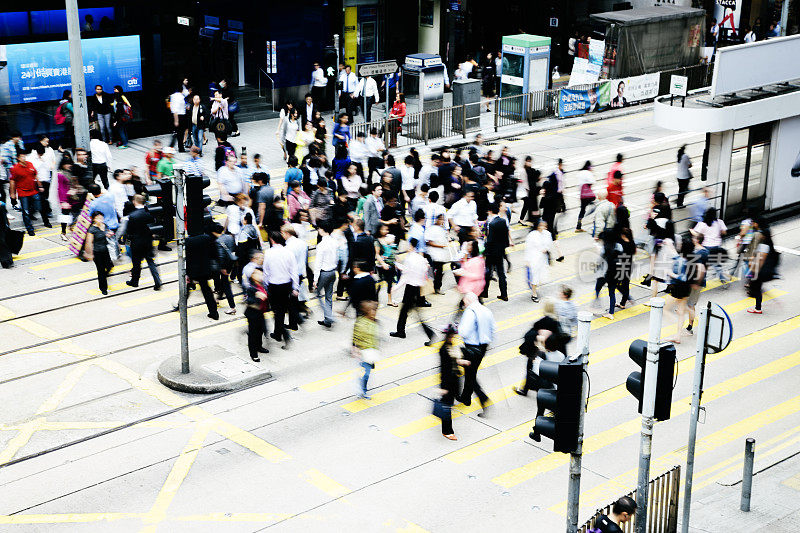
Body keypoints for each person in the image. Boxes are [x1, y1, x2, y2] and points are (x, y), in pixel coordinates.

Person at [515, 299, 567, 396]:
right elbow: (561, 340)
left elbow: (529, 335)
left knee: (530, 370)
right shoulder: (557, 323)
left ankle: (525, 389)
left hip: (538, 351)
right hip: (552, 352)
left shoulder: (542, 322)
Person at [390, 238, 435, 343]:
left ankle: (402, 332)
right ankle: (401, 331)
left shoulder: (409, 258)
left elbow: (405, 276)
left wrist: (395, 288)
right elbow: (425, 269)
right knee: (410, 312)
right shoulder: (420, 257)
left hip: (410, 287)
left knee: (406, 311)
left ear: (411, 246)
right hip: (418, 287)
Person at [457, 292, 496, 413]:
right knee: (471, 372)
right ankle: (466, 397)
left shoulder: (470, 312)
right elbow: (493, 328)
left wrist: (458, 327)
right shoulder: (486, 310)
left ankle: (483, 399)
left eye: (464, 302)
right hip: (483, 346)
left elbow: (463, 332)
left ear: (467, 301)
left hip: (471, 347)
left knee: (470, 375)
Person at [262, 231, 300, 348]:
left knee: (275, 310)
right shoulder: (288, 252)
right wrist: (295, 287)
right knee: (282, 310)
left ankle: (282, 334)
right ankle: (278, 332)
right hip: (286, 285)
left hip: (273, 285)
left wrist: (265, 285)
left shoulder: (268, 253)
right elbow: (294, 271)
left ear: (272, 240)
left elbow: (266, 272)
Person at [125, 194, 162, 290]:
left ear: (134, 201)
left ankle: (135, 281)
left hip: (136, 243)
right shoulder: (150, 213)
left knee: (136, 263)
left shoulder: (132, 215)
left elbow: (129, 232)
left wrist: (127, 243)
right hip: (148, 241)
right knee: (151, 262)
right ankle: (157, 281)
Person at [10, 149, 50, 236]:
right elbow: (12, 182)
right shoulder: (15, 168)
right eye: (21, 156)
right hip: (23, 193)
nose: (23, 158)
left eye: (24, 155)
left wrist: (40, 186)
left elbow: (35, 175)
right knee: (25, 212)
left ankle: (46, 222)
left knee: (39, 207)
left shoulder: (30, 164)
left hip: (33, 191)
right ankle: (30, 229)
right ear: (18, 158)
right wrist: (12, 194)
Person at [184, 228, 221, 320]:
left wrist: (187, 273)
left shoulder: (188, 241)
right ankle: (214, 312)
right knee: (207, 291)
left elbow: (188, 259)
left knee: (188, 288)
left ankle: (180, 305)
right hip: (205, 268)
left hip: (194, 270)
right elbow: (214, 253)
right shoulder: (206, 238)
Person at [438, 324, 466, 441]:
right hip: (447, 382)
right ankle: (447, 431)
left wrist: (462, 362)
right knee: (446, 406)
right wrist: (443, 386)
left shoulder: (450, 346)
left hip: (453, 379)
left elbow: (453, 361)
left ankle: (446, 427)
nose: (453, 337)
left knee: (448, 404)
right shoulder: (444, 349)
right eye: (452, 335)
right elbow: (444, 369)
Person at [746, 218, 778, 314]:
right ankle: (758, 307)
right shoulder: (767, 245)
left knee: (757, 289)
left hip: (759, 271)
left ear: (764, 236)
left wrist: (754, 271)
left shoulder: (764, 246)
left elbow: (761, 260)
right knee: (757, 288)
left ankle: (758, 308)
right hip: (761, 271)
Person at [690, 207, 728, 286]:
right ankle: (723, 279)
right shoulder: (719, 222)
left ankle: (703, 283)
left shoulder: (702, 224)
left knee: (704, 265)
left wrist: (691, 231)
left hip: (706, 246)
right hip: (717, 246)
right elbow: (724, 232)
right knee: (716, 263)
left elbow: (697, 234)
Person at [352, 300, 380, 400]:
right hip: (363, 352)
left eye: (375, 311)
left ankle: (361, 387)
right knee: (367, 373)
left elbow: (375, 337)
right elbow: (355, 336)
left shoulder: (374, 322)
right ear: (367, 311)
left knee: (367, 372)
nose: (374, 313)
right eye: (372, 311)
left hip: (371, 352)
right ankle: (362, 390)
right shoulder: (361, 322)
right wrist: (355, 349)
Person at [313, 221, 339, 328]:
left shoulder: (321, 245)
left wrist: (315, 279)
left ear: (323, 230)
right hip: (333, 272)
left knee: (318, 294)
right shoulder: (334, 242)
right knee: (329, 296)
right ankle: (327, 320)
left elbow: (318, 264)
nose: (318, 230)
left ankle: (329, 317)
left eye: (319, 228)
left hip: (324, 273)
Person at [243, 258, 269, 362]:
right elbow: (248, 300)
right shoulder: (251, 288)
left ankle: (259, 346)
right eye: (258, 274)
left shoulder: (262, 285)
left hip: (261, 312)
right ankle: (253, 353)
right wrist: (257, 296)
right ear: (253, 276)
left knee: (261, 330)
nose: (260, 276)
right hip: (253, 314)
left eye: (261, 274)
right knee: (253, 333)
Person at [482, 203, 509, 301]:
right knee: (501, 273)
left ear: (489, 211)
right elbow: (506, 238)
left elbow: (490, 240)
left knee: (487, 272)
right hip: (500, 251)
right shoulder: (503, 221)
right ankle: (504, 294)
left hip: (491, 252)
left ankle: (485, 292)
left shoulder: (492, 224)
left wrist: (485, 251)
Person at [83, 211, 113, 295]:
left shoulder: (104, 225)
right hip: (97, 252)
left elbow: (107, 233)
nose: (100, 219)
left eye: (101, 218)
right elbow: (88, 242)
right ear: (93, 219)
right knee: (101, 270)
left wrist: (109, 234)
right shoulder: (92, 229)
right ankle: (103, 288)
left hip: (105, 250)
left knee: (109, 266)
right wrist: (89, 253)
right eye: (98, 218)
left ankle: (104, 277)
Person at [524, 221, 553, 303]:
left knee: (541, 275)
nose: (542, 227)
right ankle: (534, 294)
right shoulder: (532, 235)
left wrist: (546, 249)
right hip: (534, 259)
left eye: (544, 226)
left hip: (542, 259)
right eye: (541, 226)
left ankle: (535, 289)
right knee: (535, 276)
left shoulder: (547, 234)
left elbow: (549, 244)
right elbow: (527, 247)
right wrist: (527, 260)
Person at [374, 223, 398, 307]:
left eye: (386, 229)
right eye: (383, 229)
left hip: (391, 264)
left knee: (390, 283)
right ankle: (375, 300)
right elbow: (377, 254)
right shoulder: (377, 241)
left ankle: (390, 300)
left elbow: (393, 250)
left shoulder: (389, 238)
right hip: (382, 265)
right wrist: (383, 263)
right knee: (379, 283)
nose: (385, 231)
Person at [575, 161, 596, 232]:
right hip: (588, 195)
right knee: (595, 206)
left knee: (582, 210)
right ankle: (594, 223)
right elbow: (592, 182)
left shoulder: (580, 173)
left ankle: (578, 226)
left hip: (582, 195)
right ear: (589, 167)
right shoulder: (588, 172)